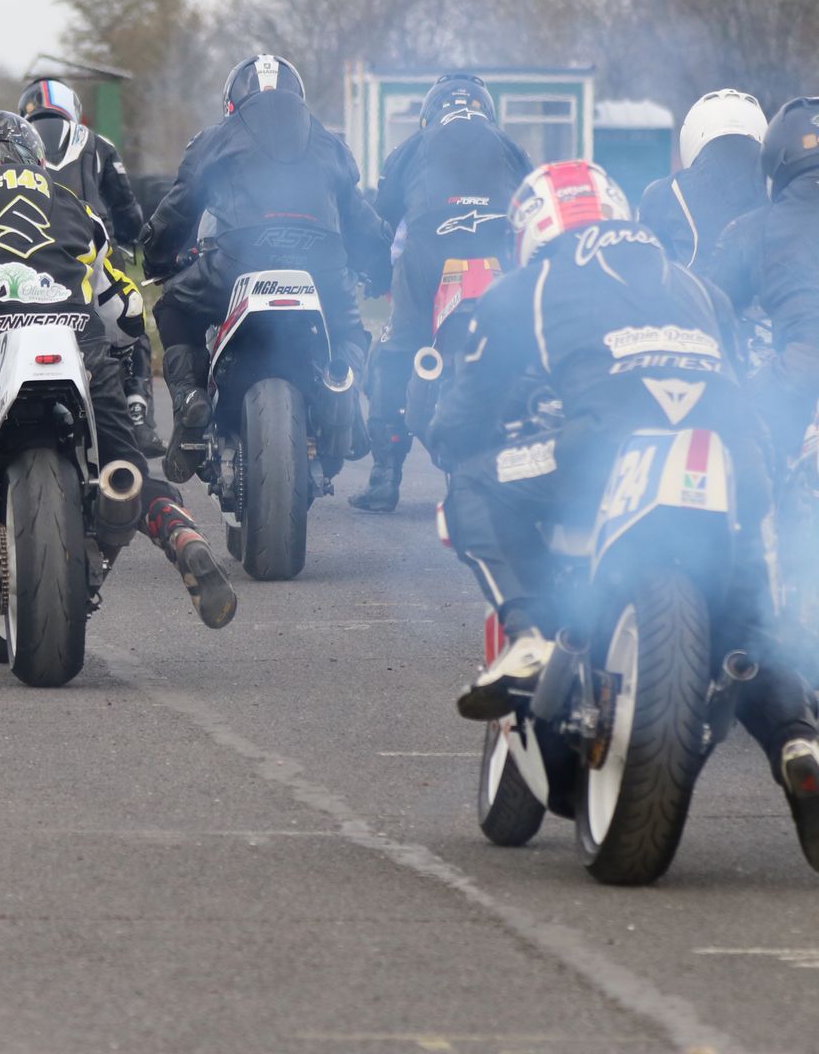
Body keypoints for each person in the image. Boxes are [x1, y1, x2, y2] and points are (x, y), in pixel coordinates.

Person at [428, 160, 819, 866]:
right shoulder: (690, 281)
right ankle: (797, 734)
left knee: (472, 482)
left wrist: (446, 437)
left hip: (600, 443)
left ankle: (527, 633)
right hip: (731, 456)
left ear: (533, 226)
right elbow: (745, 390)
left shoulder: (531, 283)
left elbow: (462, 418)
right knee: (750, 617)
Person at [0, 110, 236, 629]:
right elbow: (129, 314)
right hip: (81, 345)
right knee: (125, 464)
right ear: (35, 158)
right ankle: (183, 534)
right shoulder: (79, 210)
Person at [141, 54, 381, 483]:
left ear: (232, 100)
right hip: (321, 268)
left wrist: (158, 259)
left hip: (237, 262)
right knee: (348, 329)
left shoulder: (216, 139)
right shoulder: (331, 143)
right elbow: (359, 218)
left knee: (173, 306)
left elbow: (179, 208)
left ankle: (191, 396)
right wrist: (378, 267)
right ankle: (343, 392)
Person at [350, 74, 533, 513]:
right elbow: (534, 207)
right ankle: (529, 465)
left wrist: (375, 276)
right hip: (498, 260)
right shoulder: (510, 145)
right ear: (487, 110)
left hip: (429, 260)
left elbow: (381, 221)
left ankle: (385, 477)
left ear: (429, 113)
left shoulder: (413, 145)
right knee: (526, 351)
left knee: (394, 353)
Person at [18, 78, 162, 458]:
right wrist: (132, 237)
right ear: (73, 107)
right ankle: (137, 409)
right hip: (91, 247)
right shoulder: (98, 144)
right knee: (131, 321)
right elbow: (126, 206)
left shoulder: (15, 143)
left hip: (27, 251)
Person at [702, 96, 819, 460]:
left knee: (730, 445)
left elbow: (709, 308)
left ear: (777, 157)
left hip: (799, 378)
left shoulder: (755, 229)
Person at [638, 89, 768, 267]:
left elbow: (647, 269)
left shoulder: (666, 192)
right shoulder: (782, 189)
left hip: (696, 292)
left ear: (693, 132)